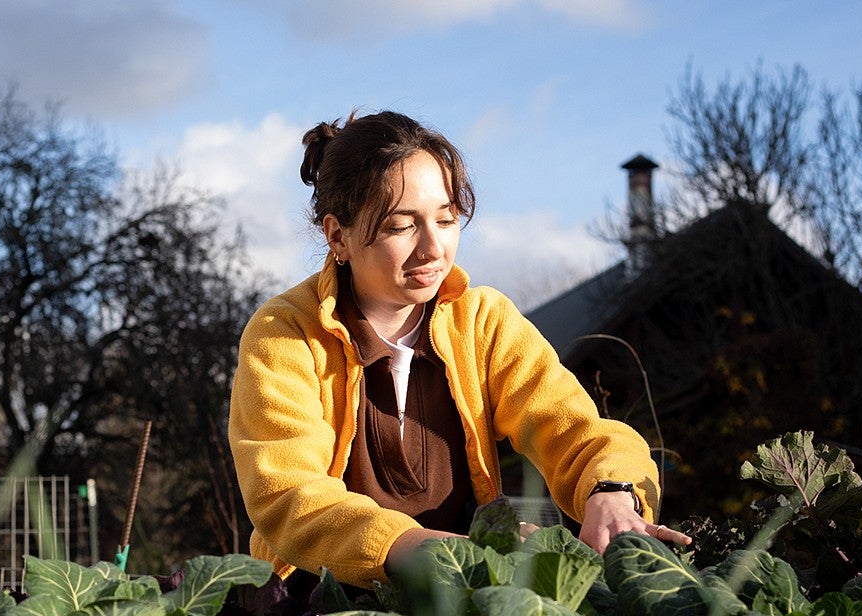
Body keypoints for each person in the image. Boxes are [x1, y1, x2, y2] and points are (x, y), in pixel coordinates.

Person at [228, 111, 691, 588]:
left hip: (472, 602)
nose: (433, 248)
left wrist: (611, 492)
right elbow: (288, 496)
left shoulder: (483, 322)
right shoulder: (283, 334)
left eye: (446, 219)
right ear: (337, 236)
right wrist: (450, 553)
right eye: (401, 225)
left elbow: (576, 429)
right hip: (317, 611)